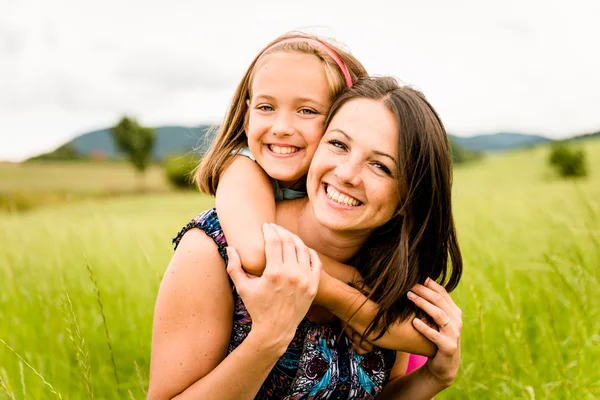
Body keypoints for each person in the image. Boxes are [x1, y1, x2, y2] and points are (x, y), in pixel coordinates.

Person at [148, 72, 463, 397]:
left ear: (408, 199)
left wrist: (432, 378)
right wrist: (269, 338)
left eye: (380, 166)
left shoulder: (386, 269)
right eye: (338, 144)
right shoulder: (217, 249)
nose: (346, 174)